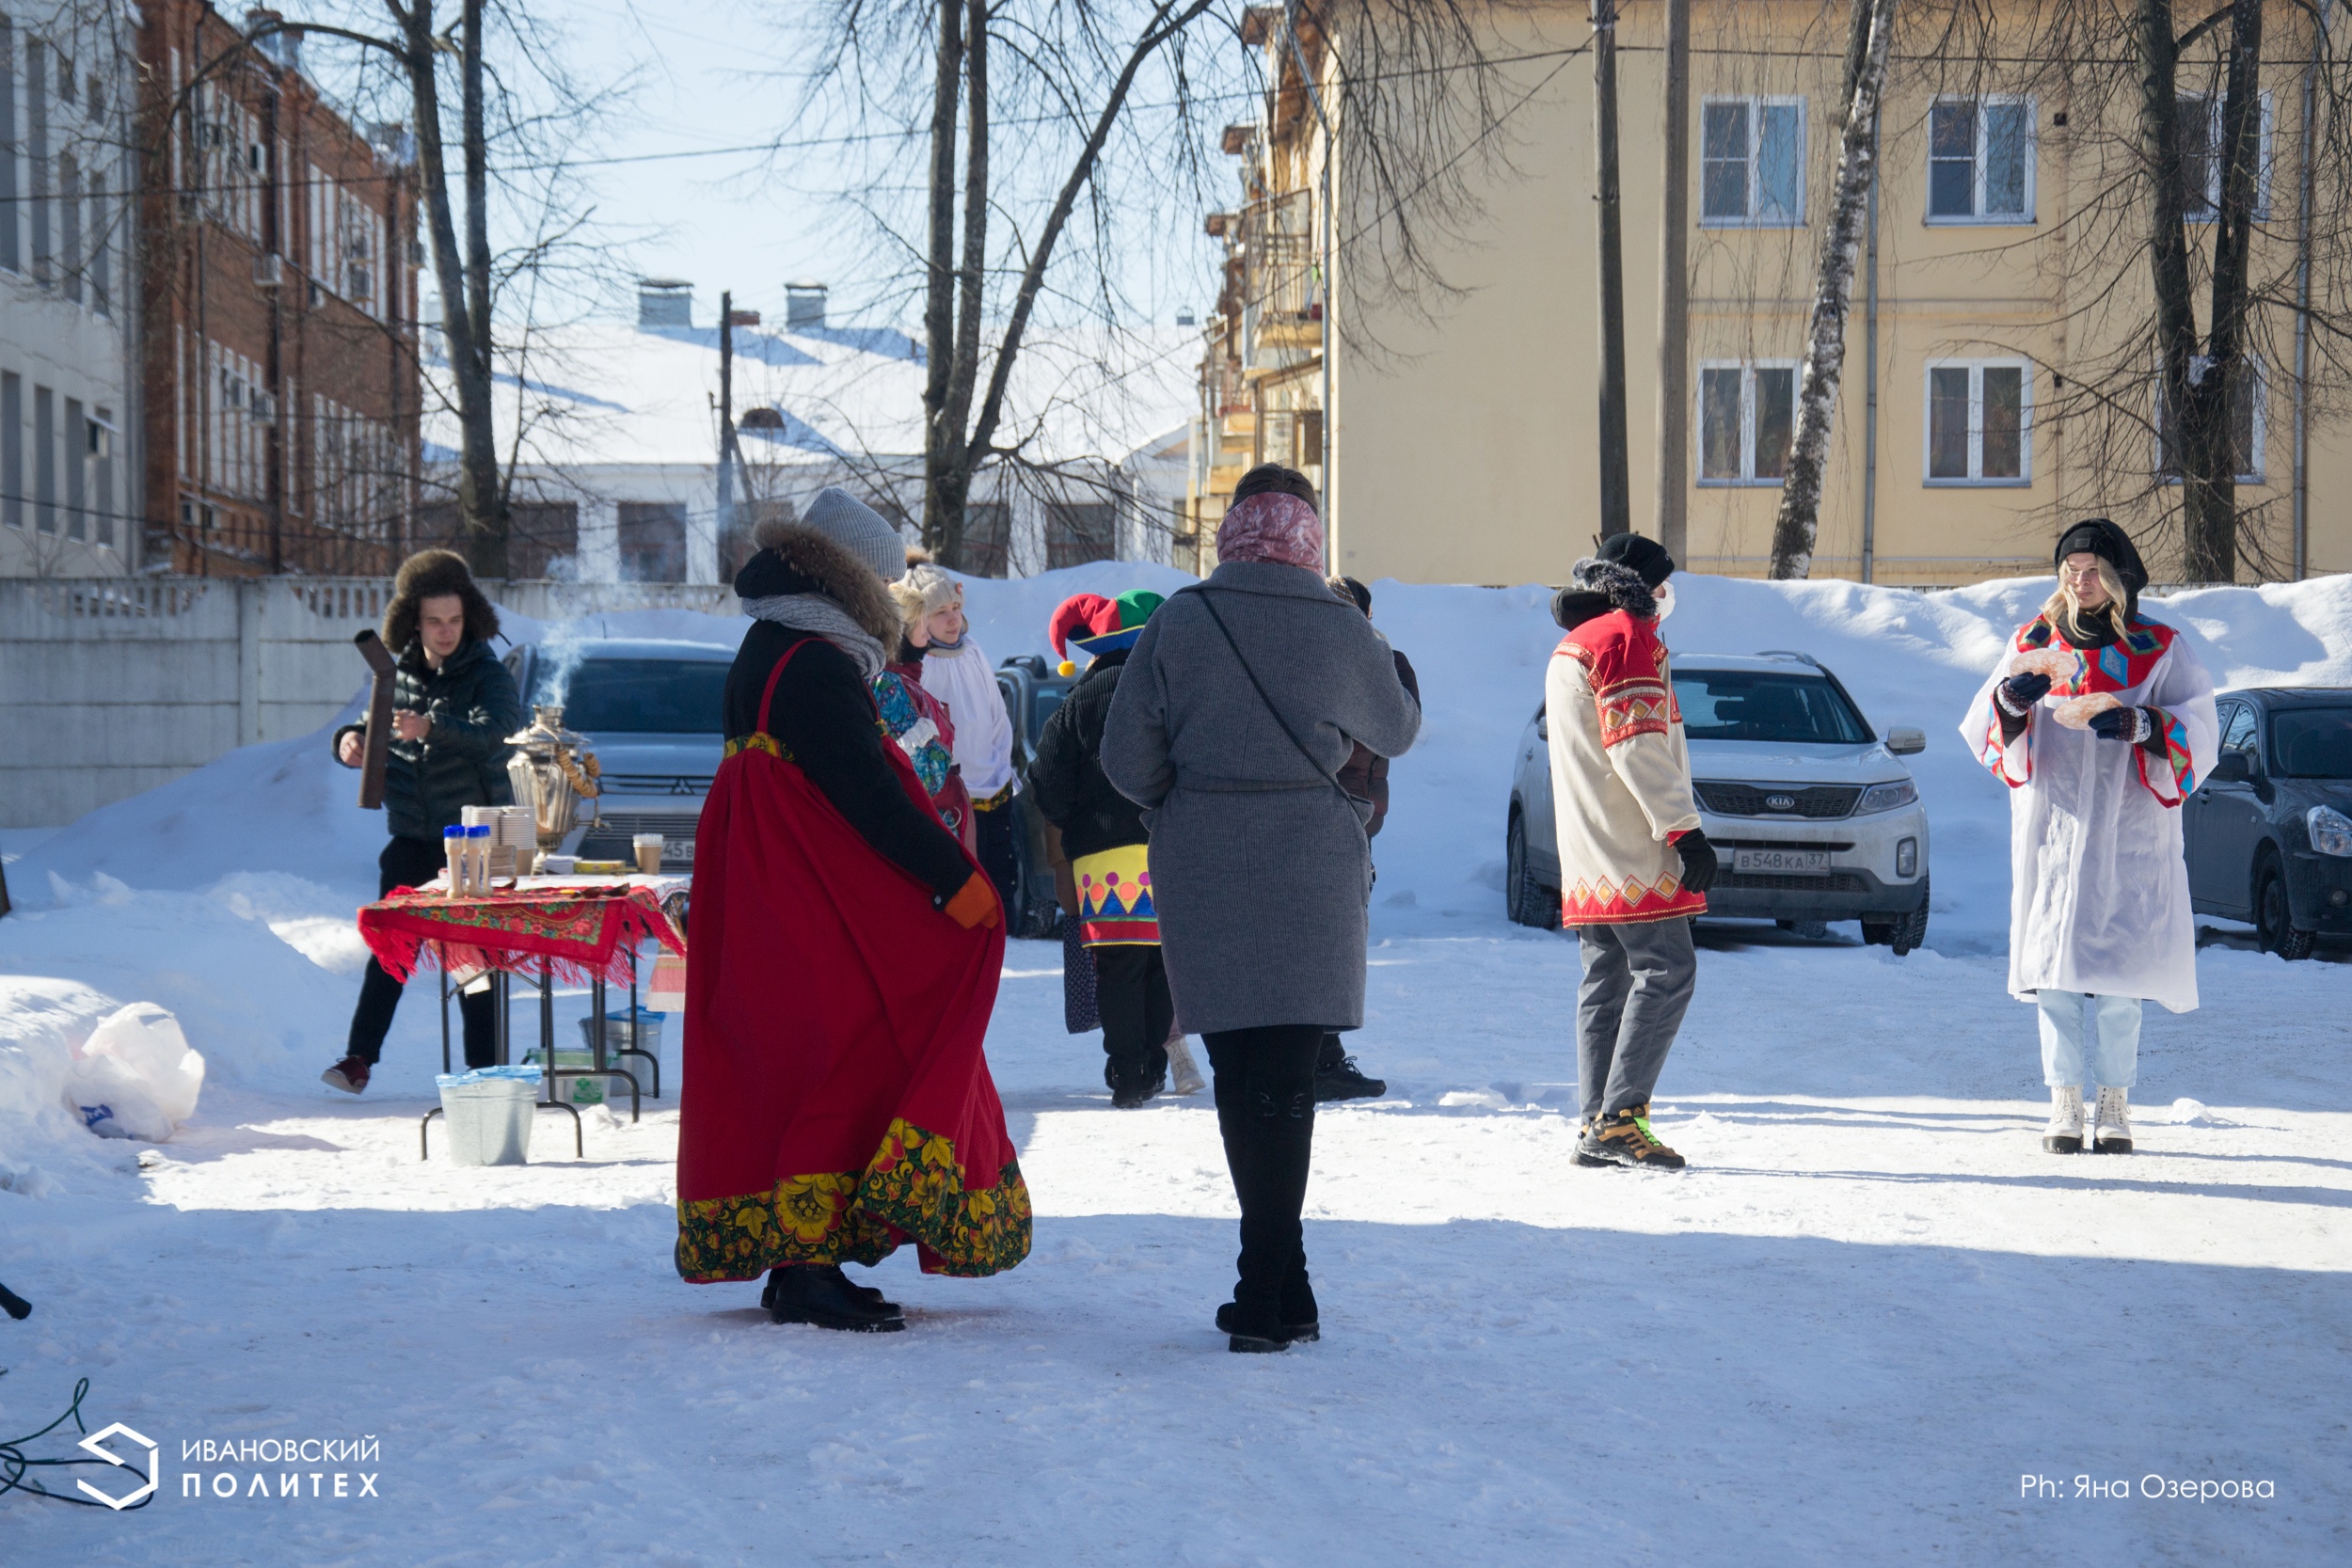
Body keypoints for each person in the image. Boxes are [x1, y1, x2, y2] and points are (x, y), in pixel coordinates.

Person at [675, 487, 1029, 1332]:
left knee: (803, 1053)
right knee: (845, 1047)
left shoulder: (774, 641)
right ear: (851, 579)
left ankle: (805, 1256)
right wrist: (949, 877)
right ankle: (805, 1266)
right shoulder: (815, 658)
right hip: (805, 894)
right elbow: (864, 791)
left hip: (771, 888)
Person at [1102, 464, 1421, 1353]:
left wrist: (1187, 796)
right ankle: (1278, 1288)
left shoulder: (1180, 619)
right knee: (1288, 1080)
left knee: (1242, 1076)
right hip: (1313, 871)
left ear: (1231, 529)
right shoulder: (1339, 621)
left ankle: (1272, 1289)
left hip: (1207, 865)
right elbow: (1395, 730)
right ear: (1310, 537)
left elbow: (1126, 758)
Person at [1961, 519, 2217, 1155]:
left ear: (2119, 576)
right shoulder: (2035, 639)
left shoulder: (2161, 647)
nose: (2081, 579)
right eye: (2072, 568)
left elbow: (2201, 726)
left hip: (2129, 827)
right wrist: (2012, 703)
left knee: (2121, 971)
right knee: (2053, 970)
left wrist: (2143, 723)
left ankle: (2116, 1101)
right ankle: (2063, 1100)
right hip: (2053, 828)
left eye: (2094, 568)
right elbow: (1984, 726)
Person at [322, 550, 524, 1095]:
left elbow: (497, 730)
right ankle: (358, 1059)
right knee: (390, 948)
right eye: (434, 620)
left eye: (454, 620)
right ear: (413, 620)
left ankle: (483, 1075)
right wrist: (349, 740)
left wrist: (432, 726)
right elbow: (371, 723)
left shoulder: (487, 672)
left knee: (473, 960)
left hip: (473, 840)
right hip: (410, 837)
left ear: (471, 618)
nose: (445, 631)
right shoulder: (399, 672)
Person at [1547, 532, 1717, 1170]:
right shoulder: (1625, 635)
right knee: (1667, 968)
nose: (1670, 595)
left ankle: (1597, 1115)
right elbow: (1637, 743)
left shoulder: (1578, 640)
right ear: (1645, 584)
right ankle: (1621, 1118)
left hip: (1589, 846)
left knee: (1606, 980)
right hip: (1630, 844)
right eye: (1665, 582)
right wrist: (1683, 828)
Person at [1030, 590, 1174, 1107]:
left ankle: (1126, 1069)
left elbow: (1043, 779)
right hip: (1165, 849)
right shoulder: (1167, 694)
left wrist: (1075, 824)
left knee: (1117, 966)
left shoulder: (1077, 703)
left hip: (1100, 861)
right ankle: (1153, 1063)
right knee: (1162, 962)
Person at [1312, 575, 1422, 1103]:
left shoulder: (1383, 660)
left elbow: (1397, 731)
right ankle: (1318, 1059)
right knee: (1326, 941)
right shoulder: (1320, 658)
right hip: (1326, 814)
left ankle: (1319, 1055)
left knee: (1333, 940)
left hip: (1353, 817)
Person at [904, 562, 1022, 910]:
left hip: (992, 791)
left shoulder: (973, 652)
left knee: (997, 896)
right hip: (949, 802)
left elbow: (996, 719)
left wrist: (999, 767)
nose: (953, 619)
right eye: (940, 612)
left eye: (955, 608)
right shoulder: (919, 666)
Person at [877, 569, 976, 851]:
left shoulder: (907, 681)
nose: (925, 630)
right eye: (919, 623)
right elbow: (923, 777)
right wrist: (953, 790)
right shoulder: (890, 686)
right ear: (901, 633)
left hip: (937, 826)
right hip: (926, 832)